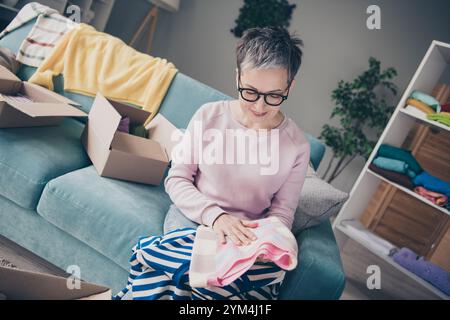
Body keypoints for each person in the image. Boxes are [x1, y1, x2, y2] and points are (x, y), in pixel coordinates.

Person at [164, 26, 310, 247]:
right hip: (193, 217)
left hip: (246, 235)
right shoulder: (208, 115)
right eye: (250, 92)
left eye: (274, 95)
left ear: (289, 88)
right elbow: (177, 179)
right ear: (238, 78)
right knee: (189, 270)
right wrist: (217, 217)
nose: (260, 106)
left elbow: (282, 213)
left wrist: (265, 243)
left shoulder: (297, 147)